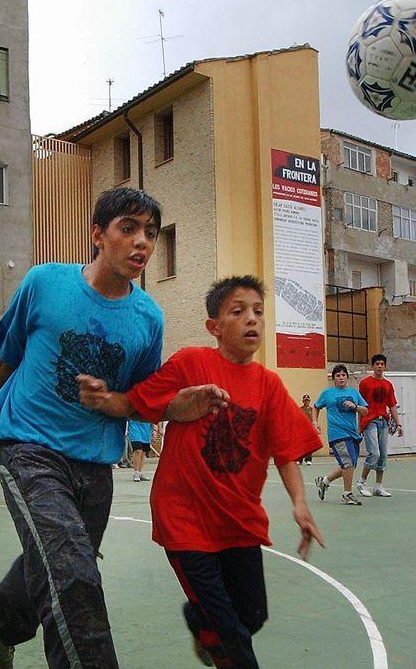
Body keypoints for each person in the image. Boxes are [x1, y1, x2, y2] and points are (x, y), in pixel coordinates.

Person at [0, 187, 206, 668]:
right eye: (127, 228)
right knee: (73, 574)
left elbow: (137, 399)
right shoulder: (45, 283)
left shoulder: (148, 317)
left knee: (55, 562)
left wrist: (177, 408)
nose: (141, 243)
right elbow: (4, 360)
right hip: (27, 448)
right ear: (97, 234)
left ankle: (0, 619)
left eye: (150, 234)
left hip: (94, 463)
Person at [78, 275, 325, 668]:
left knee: (252, 616)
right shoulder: (192, 363)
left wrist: (300, 504)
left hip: (237, 519)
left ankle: (198, 620)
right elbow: (138, 402)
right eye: (238, 311)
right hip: (186, 516)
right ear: (215, 327)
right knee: (230, 633)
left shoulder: (269, 385)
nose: (252, 320)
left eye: (259, 312)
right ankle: (215, 632)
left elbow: (286, 452)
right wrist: (100, 398)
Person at [312, 365, 368, 505]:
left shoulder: (354, 393)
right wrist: (314, 422)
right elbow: (316, 407)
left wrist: (354, 406)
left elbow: (365, 411)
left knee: (349, 465)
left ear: (347, 378)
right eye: (338, 375)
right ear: (334, 379)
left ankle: (324, 481)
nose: (341, 377)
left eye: (343, 375)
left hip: (352, 433)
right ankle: (347, 494)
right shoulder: (327, 393)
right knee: (348, 461)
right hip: (337, 433)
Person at [356, 354, 403, 498]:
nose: (379, 366)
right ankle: (361, 482)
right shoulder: (365, 383)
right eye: (377, 364)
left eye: (382, 364)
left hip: (383, 422)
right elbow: (360, 404)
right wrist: (360, 426)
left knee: (383, 455)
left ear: (385, 366)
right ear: (372, 366)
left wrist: (399, 423)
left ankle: (378, 486)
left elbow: (392, 405)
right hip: (370, 421)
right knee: (374, 453)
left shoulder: (388, 385)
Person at [299, 394, 317, 465]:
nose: (306, 401)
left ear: (309, 401)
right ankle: (299, 459)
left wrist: (316, 426)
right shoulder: (300, 409)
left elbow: (314, 419)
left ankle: (308, 460)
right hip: (302, 429)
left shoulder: (313, 410)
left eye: (307, 400)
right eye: (305, 400)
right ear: (303, 401)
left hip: (310, 429)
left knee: (309, 445)